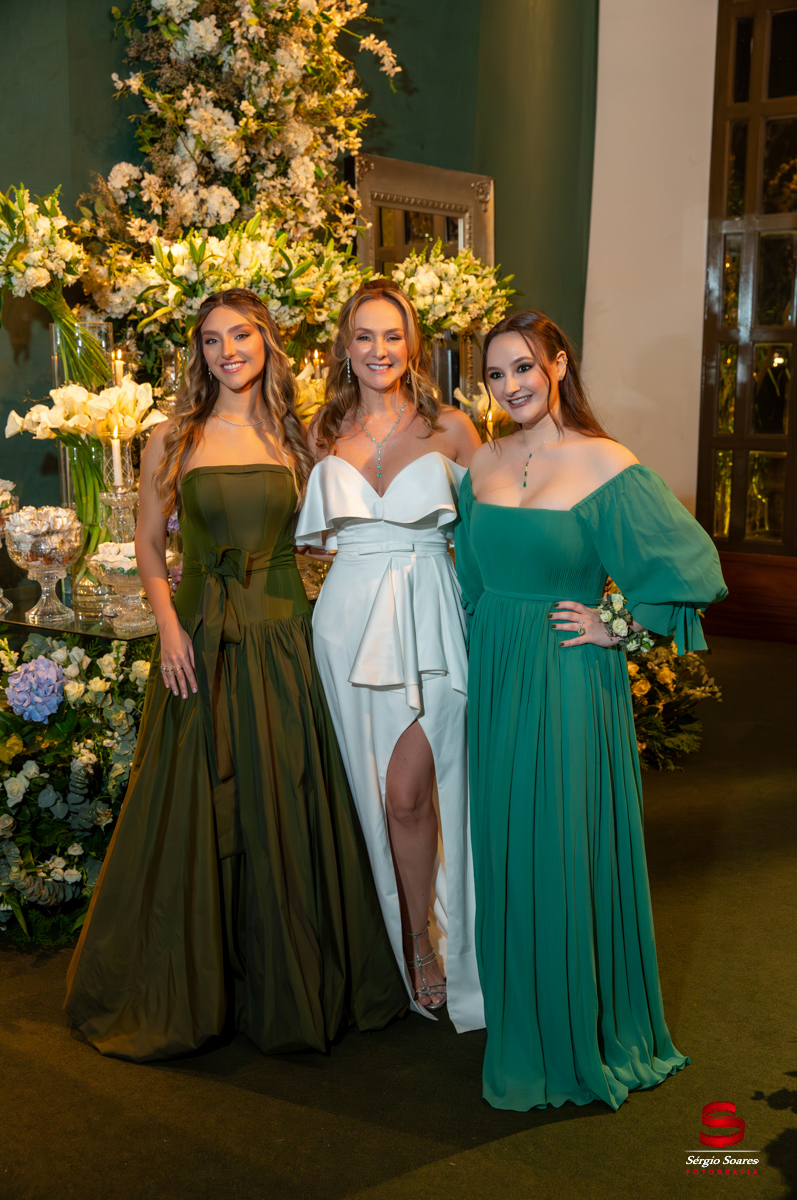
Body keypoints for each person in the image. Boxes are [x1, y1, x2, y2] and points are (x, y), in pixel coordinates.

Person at [65, 288, 408, 1061]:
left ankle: (283, 987)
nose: (228, 352)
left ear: (266, 342)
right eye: (212, 340)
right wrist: (168, 625)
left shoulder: (299, 434)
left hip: (283, 634)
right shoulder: (172, 437)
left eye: (242, 335)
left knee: (283, 798)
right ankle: (192, 985)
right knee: (196, 803)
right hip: (199, 637)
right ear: (200, 352)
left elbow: (333, 528)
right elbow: (149, 543)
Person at [454, 309, 727, 1110]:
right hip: (498, 679)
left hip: (571, 678)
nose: (511, 386)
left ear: (559, 364)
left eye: (524, 367)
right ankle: (525, 1023)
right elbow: (470, 583)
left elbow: (694, 566)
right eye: (496, 374)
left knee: (562, 843)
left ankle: (581, 1031)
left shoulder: (606, 462)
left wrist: (617, 624)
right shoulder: (482, 464)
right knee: (506, 845)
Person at [295, 280, 485, 1032]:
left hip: (431, 617)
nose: (379, 350)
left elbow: (494, 528)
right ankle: (394, 941)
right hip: (345, 626)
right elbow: (304, 539)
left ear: (414, 345)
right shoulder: (321, 431)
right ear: (346, 347)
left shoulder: (453, 429)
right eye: (365, 336)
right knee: (366, 797)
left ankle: (431, 943)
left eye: (393, 335)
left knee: (410, 793)